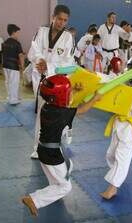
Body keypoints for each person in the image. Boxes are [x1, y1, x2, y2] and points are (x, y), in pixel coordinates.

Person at [22, 75, 102, 216]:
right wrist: (94, 99)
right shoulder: (61, 112)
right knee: (65, 187)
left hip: (44, 149)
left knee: (68, 166)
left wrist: (75, 91)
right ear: (60, 97)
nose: (69, 94)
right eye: (68, 92)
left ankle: (54, 190)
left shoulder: (47, 106)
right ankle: (33, 199)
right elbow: (81, 110)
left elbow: (66, 103)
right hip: (52, 154)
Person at [100, 54, 132, 200]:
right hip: (119, 124)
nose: (130, 73)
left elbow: (126, 103)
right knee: (111, 154)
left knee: (122, 157)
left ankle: (113, 188)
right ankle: (118, 174)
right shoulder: (126, 81)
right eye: (130, 70)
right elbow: (109, 79)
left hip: (131, 126)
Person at [28, 4, 75, 159]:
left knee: (60, 115)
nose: (61, 22)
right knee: (42, 114)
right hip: (41, 79)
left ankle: (60, 145)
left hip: (59, 82)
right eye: (59, 19)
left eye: (65, 20)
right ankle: (37, 147)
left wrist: (49, 66)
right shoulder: (41, 31)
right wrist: (40, 61)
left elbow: (69, 63)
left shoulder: (68, 37)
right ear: (53, 17)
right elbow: (34, 50)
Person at [2, 24, 25, 105]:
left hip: (5, 65)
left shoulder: (5, 42)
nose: (18, 34)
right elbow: (21, 55)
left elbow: (3, 54)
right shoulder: (17, 43)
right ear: (14, 32)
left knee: (8, 82)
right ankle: (13, 99)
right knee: (14, 82)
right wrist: (22, 66)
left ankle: (10, 97)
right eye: (18, 32)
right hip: (13, 66)